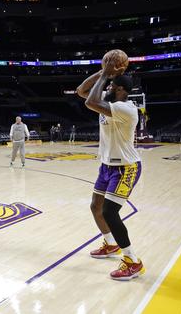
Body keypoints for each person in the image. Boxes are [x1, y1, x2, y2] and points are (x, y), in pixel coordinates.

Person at [76, 49, 144, 281]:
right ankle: (111, 244)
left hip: (125, 167)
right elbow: (81, 91)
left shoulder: (125, 109)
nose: (107, 88)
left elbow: (89, 101)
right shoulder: (109, 101)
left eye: (112, 86)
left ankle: (132, 261)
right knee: (96, 206)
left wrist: (106, 75)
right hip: (106, 166)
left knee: (109, 211)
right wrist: (102, 72)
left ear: (121, 90)